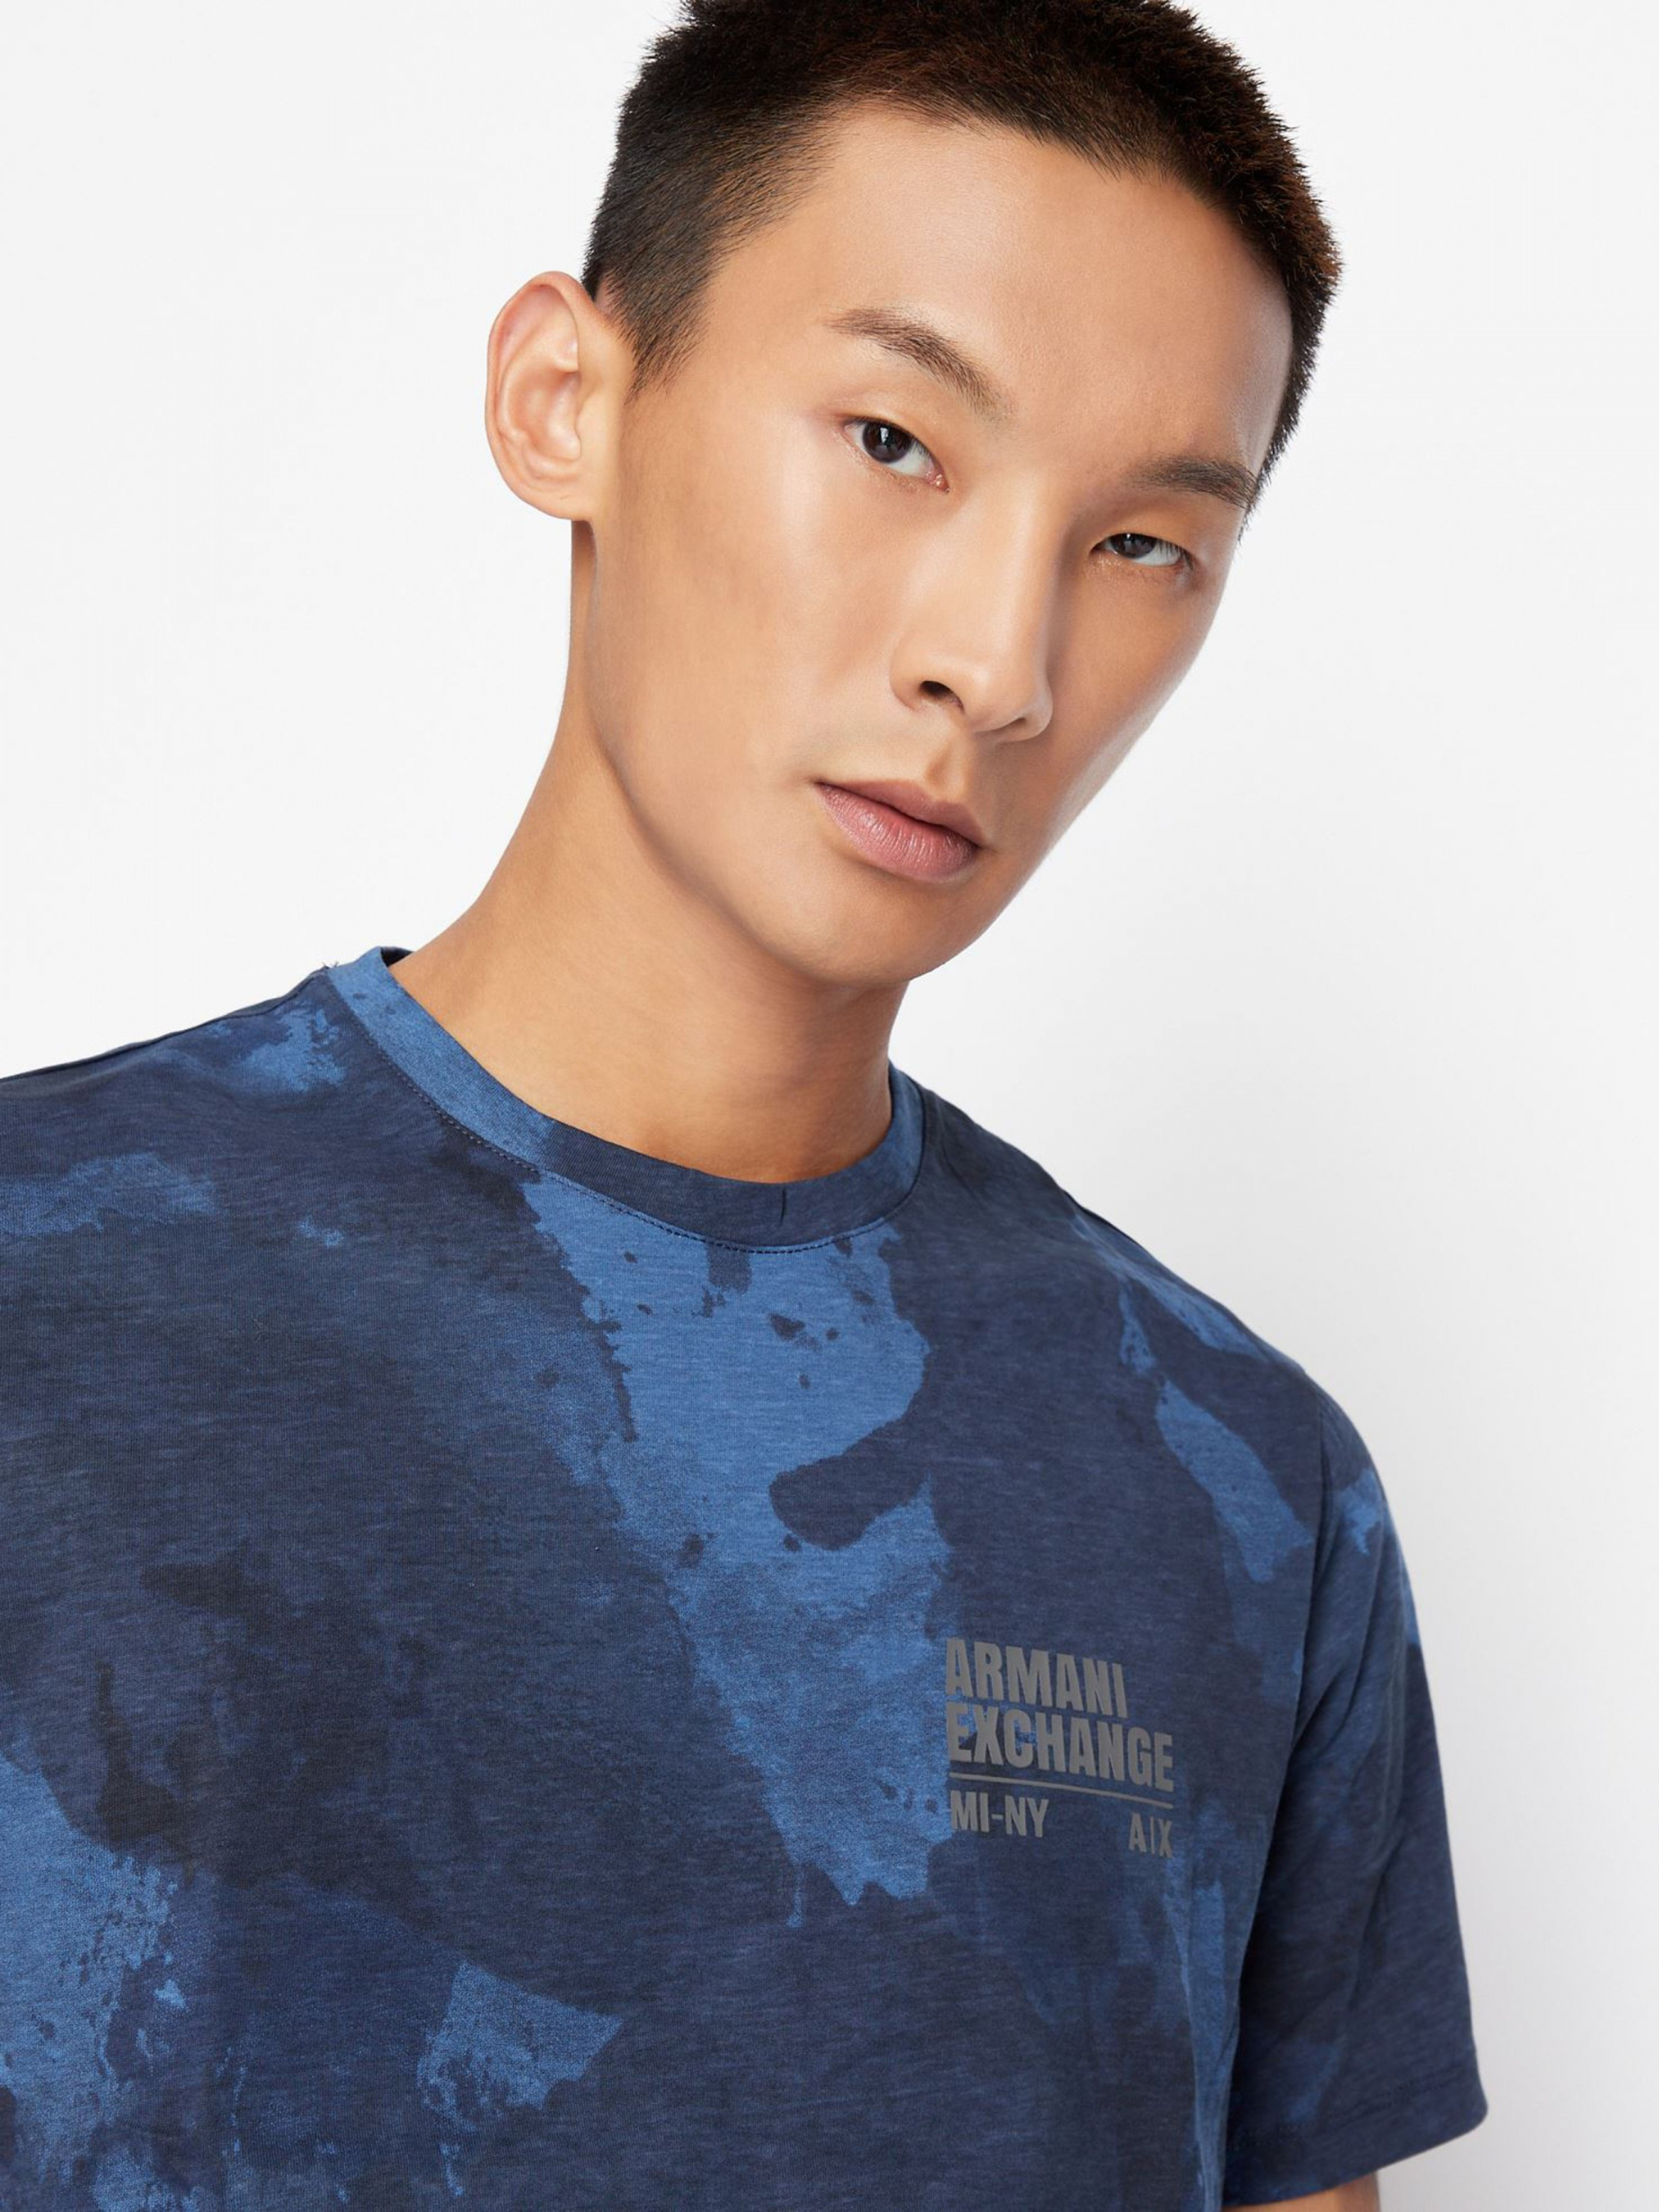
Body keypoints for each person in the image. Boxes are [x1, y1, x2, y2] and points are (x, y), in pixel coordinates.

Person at [0, 0, 1489, 2204]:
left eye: (1144, 545)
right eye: (894, 439)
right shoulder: (46, 1291)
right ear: (564, 399)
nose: (1000, 663)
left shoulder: (1239, 1481)